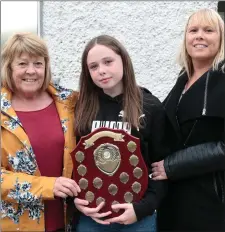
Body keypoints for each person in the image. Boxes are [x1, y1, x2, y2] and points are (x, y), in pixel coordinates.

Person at [73, 34, 172, 232]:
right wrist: (75, 200)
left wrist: (143, 208)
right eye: (93, 66)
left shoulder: (150, 106)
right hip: (93, 218)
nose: (102, 71)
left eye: (108, 62)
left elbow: (162, 167)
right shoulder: (80, 108)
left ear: (124, 61)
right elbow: (73, 164)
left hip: (138, 218)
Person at [151, 8, 225, 231]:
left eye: (208, 30)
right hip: (172, 200)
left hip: (210, 202)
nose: (199, 35)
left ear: (221, 38)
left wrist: (173, 165)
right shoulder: (181, 81)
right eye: (193, 30)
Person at [1, 32, 81, 232]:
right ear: (9, 67)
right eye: (22, 64)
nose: (31, 71)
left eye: (38, 63)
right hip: (17, 225)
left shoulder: (69, 102)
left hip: (70, 222)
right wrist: (47, 187)